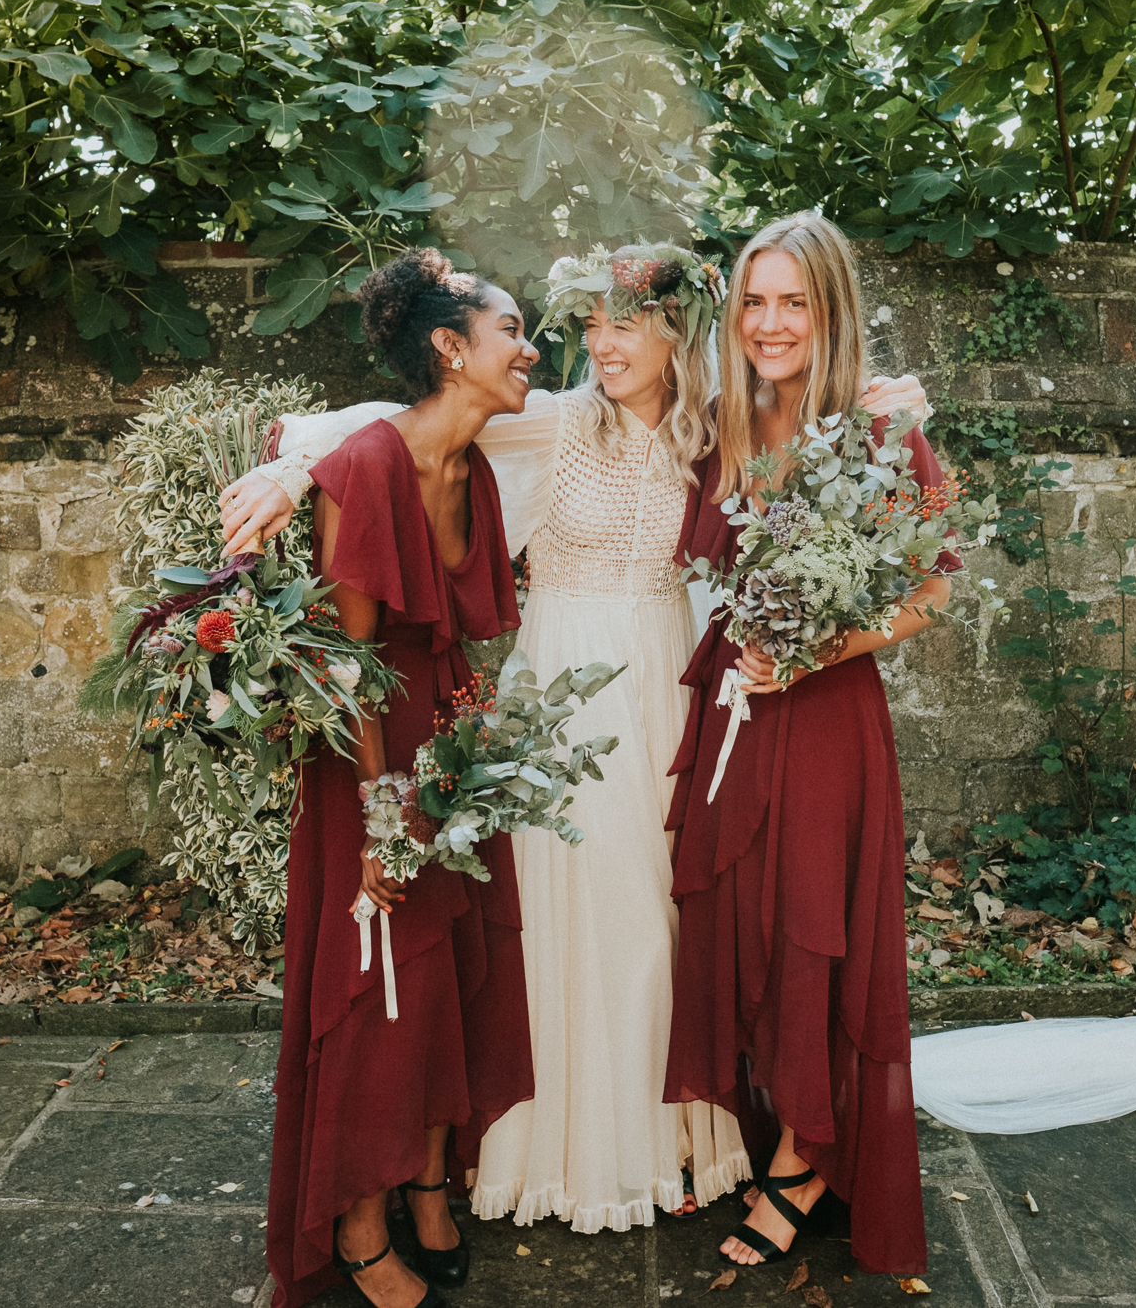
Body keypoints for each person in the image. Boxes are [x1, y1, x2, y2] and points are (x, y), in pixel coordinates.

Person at [221, 243, 930, 1237]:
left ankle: (679, 1141)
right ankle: (554, 1150)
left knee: (666, 914)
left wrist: (884, 404)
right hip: (560, 685)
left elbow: (815, 437)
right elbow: (396, 425)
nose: (600, 343)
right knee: (562, 909)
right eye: (588, 324)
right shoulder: (549, 423)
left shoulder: (713, 432)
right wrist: (295, 471)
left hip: (671, 686)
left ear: (674, 331)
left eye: (623, 323)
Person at [663, 212, 956, 1277]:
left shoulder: (878, 428)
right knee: (742, 925)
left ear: (829, 312)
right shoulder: (724, 423)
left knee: (810, 936)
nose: (770, 322)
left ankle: (802, 1161)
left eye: (793, 302)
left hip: (821, 716)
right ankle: (779, 1123)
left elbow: (929, 592)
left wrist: (817, 654)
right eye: (753, 300)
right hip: (732, 712)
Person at [265, 248, 534, 1308]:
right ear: (449, 347)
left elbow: (465, 640)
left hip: (447, 744)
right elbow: (344, 669)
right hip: (367, 754)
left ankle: (430, 1184)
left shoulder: (476, 470)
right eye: (510, 330)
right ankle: (360, 1225)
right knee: (383, 985)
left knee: (449, 975)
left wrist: (470, 759)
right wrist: (386, 826)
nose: (529, 350)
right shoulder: (369, 467)